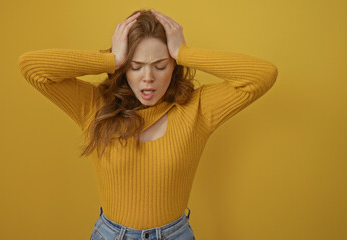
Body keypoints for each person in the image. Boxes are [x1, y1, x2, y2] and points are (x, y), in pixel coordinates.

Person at [18, 9, 278, 240]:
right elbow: (32, 68)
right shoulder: (94, 105)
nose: (148, 79)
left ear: (175, 66)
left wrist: (183, 52)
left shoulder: (197, 108)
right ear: (124, 68)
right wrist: (113, 58)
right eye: (136, 66)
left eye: (160, 66)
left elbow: (262, 75)